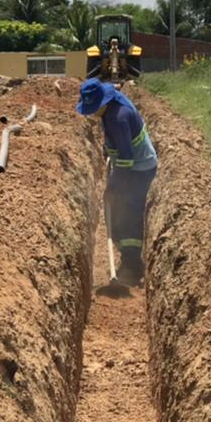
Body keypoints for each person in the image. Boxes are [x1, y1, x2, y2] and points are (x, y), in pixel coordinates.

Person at [76, 79, 157, 287]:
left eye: (92, 108)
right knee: (118, 212)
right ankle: (127, 259)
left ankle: (132, 267)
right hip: (129, 165)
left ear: (102, 102)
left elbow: (127, 159)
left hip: (139, 169)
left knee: (128, 214)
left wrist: (114, 187)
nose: (91, 113)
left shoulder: (118, 118)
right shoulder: (112, 106)